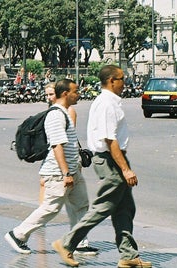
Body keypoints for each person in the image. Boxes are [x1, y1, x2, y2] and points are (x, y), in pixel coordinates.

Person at [52, 65, 152, 268]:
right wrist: (125, 169)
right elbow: (109, 139)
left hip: (113, 158)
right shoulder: (107, 103)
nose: (125, 82)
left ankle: (128, 255)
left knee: (124, 208)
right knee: (103, 206)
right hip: (110, 160)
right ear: (112, 80)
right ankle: (67, 243)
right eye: (122, 78)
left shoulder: (109, 102)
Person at [4, 79, 97, 255]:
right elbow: (57, 146)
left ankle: (78, 243)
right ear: (65, 94)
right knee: (50, 208)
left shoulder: (66, 112)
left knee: (81, 205)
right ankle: (18, 234)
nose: (79, 94)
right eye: (75, 91)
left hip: (72, 170)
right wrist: (65, 173)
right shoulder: (56, 115)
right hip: (58, 173)